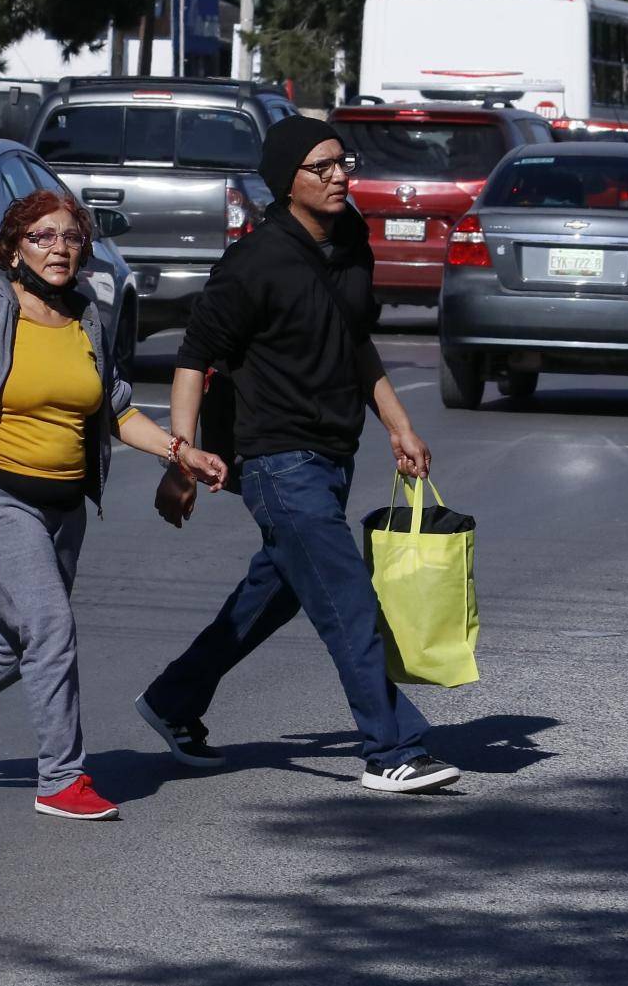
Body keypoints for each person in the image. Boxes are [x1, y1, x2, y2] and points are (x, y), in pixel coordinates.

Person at [136, 116, 462, 795]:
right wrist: (181, 458)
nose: (341, 174)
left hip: (333, 452)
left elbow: (356, 344)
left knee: (274, 593)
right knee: (346, 597)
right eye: (323, 166)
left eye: (344, 162)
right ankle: (390, 747)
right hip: (276, 461)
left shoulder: (351, 243)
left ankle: (174, 697)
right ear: (288, 181)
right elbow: (194, 359)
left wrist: (398, 423)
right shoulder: (254, 263)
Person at [0, 189, 228, 820]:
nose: (60, 249)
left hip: (65, 508)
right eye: (43, 236)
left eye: (72, 237)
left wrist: (179, 452)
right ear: (14, 245)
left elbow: (117, 409)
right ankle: (62, 778)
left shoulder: (86, 316)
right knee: (50, 628)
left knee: (26, 637)